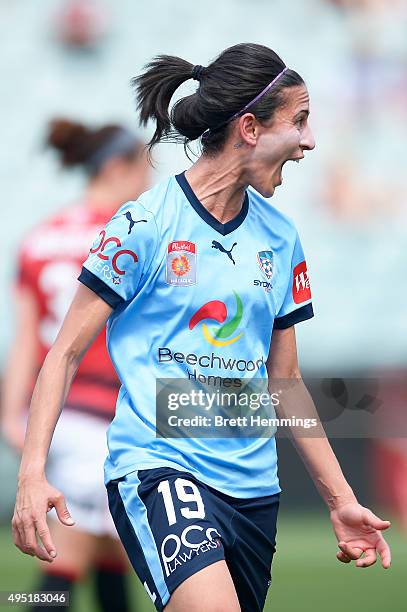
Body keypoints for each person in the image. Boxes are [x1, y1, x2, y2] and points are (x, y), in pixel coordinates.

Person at [12, 43, 391, 612]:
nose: (311, 141)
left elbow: (284, 381)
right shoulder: (144, 224)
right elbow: (62, 352)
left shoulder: (281, 238)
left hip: (255, 491)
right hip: (159, 469)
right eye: (300, 121)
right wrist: (31, 473)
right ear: (249, 128)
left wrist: (340, 500)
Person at [3, 118, 150, 611]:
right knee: (62, 567)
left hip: (51, 413)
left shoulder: (39, 237)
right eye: (143, 169)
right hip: (97, 416)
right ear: (115, 167)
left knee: (110, 552)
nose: (149, 182)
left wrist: (10, 414)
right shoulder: (125, 237)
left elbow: (26, 339)